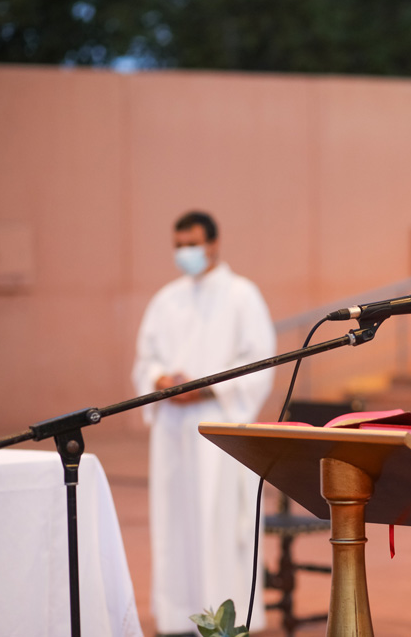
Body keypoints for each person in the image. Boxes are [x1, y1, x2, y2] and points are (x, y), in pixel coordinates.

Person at [132, 211, 276, 636]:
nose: (185, 252)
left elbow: (259, 361)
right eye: (179, 245)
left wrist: (206, 388)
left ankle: (226, 622)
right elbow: (145, 360)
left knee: (218, 527)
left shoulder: (242, 295)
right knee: (174, 525)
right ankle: (178, 617)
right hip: (172, 430)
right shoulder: (166, 299)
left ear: (214, 243)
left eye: (192, 244)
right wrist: (160, 380)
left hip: (219, 430)